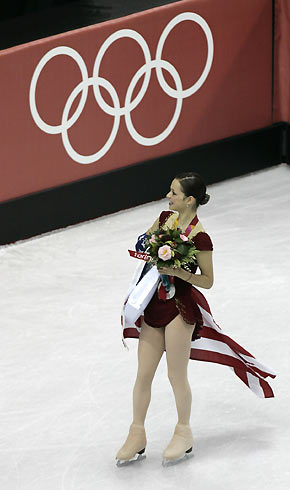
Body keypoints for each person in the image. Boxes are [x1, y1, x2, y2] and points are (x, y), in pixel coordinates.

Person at [116, 172, 213, 467]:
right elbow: (144, 243)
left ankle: (184, 432)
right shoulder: (163, 219)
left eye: (173, 193)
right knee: (143, 375)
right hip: (154, 305)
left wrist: (180, 272)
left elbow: (207, 280)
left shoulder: (200, 236)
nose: (168, 197)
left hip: (179, 309)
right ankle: (137, 433)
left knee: (175, 375)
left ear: (189, 200)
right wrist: (147, 244)